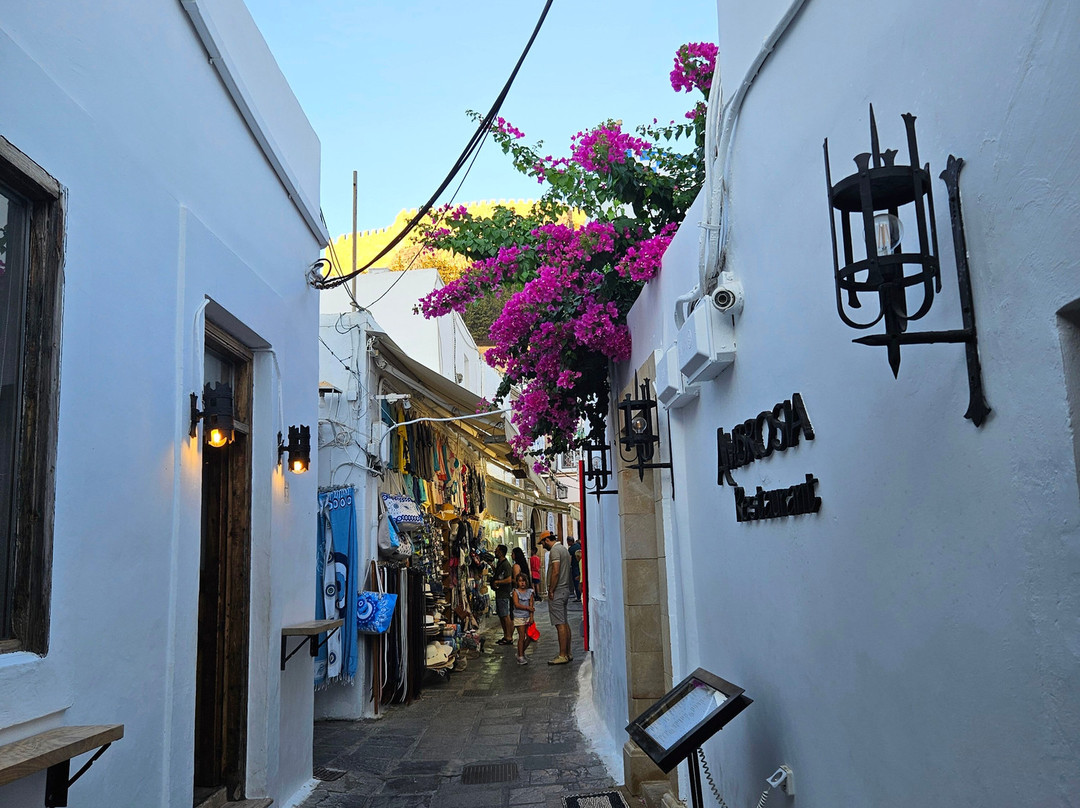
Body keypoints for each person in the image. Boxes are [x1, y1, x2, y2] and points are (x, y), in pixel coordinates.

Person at [540, 531, 573, 664]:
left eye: (542, 543)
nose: (542, 546)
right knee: (564, 622)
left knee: (560, 624)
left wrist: (551, 589)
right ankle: (568, 652)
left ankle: (562, 654)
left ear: (547, 540)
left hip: (558, 590)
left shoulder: (554, 551)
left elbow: (556, 571)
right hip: (565, 589)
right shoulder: (564, 549)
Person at [511, 572, 535, 665]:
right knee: (522, 636)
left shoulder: (530, 592)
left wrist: (531, 617)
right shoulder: (515, 592)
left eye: (524, 581)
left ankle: (521, 652)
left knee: (529, 636)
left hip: (528, 617)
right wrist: (527, 608)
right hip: (519, 616)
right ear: (517, 582)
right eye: (520, 581)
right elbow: (516, 604)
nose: (522, 583)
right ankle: (520, 656)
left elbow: (531, 605)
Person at [492, 544, 514, 645]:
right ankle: (506, 635)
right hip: (500, 593)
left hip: (504, 594)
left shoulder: (506, 564)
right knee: (502, 615)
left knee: (505, 615)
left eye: (496, 551)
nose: (495, 552)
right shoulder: (500, 563)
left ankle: (509, 636)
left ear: (501, 552)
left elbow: (509, 579)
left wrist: (498, 583)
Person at [568, 535, 582, 602]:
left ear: (570, 541)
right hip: (580, 565)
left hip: (574, 567)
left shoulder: (571, 549)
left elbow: (569, 559)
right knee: (580, 580)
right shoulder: (578, 545)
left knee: (576, 582)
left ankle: (578, 596)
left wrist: (568, 566)